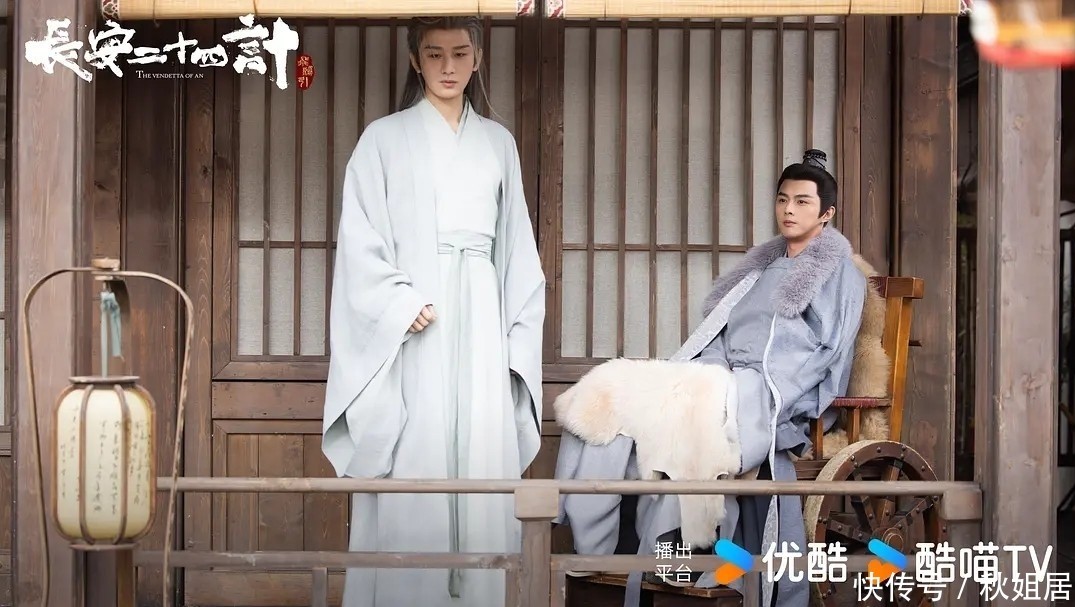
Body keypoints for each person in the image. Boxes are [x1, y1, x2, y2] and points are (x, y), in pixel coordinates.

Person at [554, 149, 866, 607]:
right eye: (783, 199)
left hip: (773, 388)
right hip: (724, 377)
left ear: (827, 213)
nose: (789, 210)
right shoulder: (759, 269)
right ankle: (596, 543)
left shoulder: (840, 274)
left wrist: (752, 383)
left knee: (693, 412)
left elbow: (827, 351)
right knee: (612, 387)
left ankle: (679, 548)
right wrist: (711, 371)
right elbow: (719, 335)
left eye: (802, 201)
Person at [320, 16, 546, 607]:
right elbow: (360, 241)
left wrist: (513, 343)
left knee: (480, 446)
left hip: (481, 317)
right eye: (434, 54)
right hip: (416, 323)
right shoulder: (382, 139)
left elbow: (518, 251)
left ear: (478, 58)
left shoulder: (499, 144)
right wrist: (397, 300)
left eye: (460, 53)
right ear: (415, 60)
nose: (448, 67)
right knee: (415, 451)